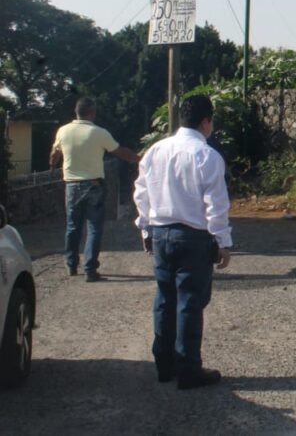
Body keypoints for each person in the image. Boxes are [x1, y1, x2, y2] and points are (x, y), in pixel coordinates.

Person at [133, 94, 233, 390]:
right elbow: (215, 204)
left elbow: (141, 193)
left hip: (161, 233)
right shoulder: (208, 156)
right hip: (194, 237)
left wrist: (145, 229)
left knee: (165, 300)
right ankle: (189, 369)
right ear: (205, 122)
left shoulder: (154, 151)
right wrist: (223, 240)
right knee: (190, 302)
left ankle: (164, 365)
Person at [49, 97, 140, 281]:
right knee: (94, 227)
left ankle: (71, 265)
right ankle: (90, 269)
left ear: (76, 111)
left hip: (72, 185)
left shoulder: (63, 131)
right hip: (93, 185)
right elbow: (119, 151)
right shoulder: (99, 132)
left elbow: (54, 154)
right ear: (92, 113)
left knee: (73, 226)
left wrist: (53, 165)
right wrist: (138, 159)